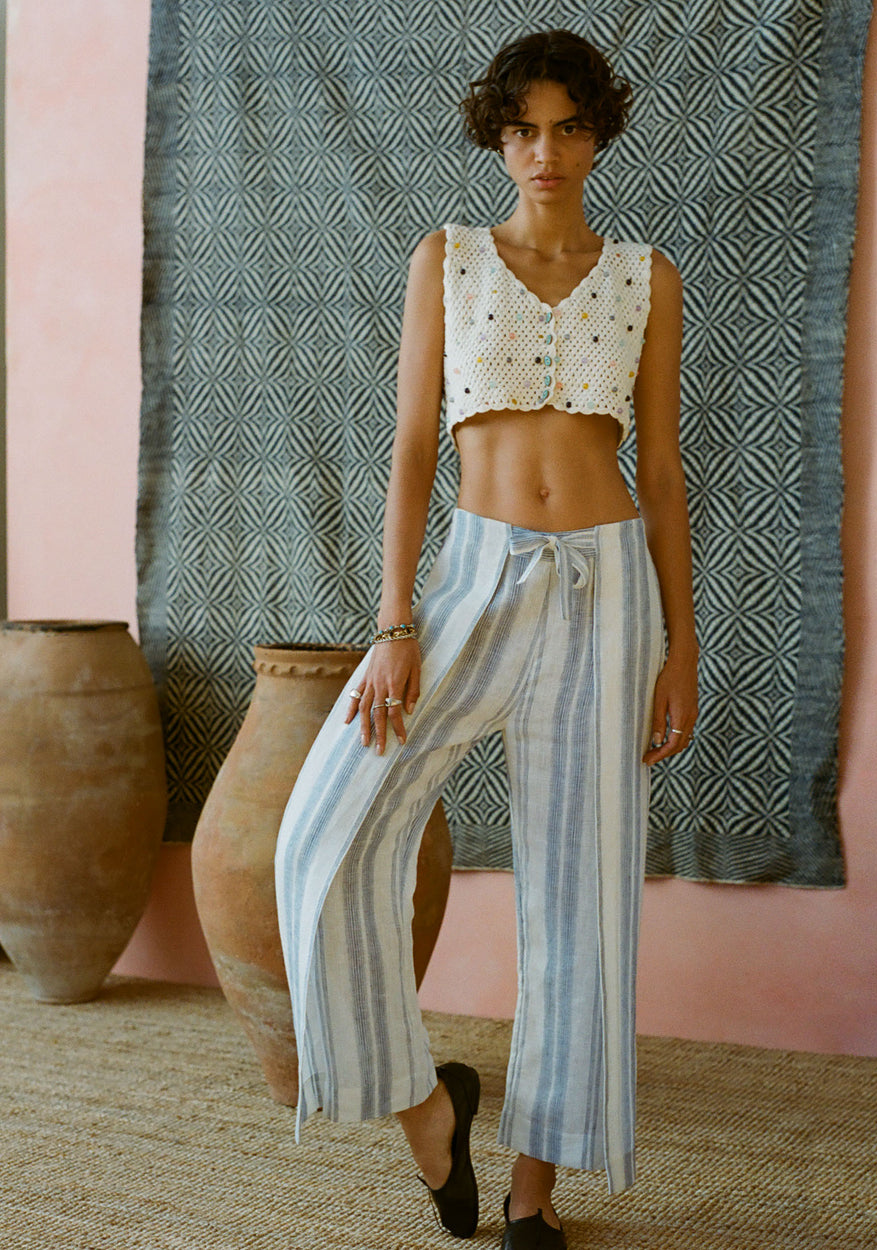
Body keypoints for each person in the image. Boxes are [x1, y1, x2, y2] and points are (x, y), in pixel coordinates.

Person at [275, 29, 698, 1250]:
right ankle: (423, 1106)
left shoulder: (646, 275)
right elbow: (412, 446)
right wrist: (395, 617)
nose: (546, 150)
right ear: (496, 137)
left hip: (610, 587)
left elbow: (661, 470)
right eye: (524, 128)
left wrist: (679, 643)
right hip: (471, 579)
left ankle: (532, 1196)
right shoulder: (447, 259)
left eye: (569, 126)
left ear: (599, 133)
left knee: (582, 900)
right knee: (321, 835)